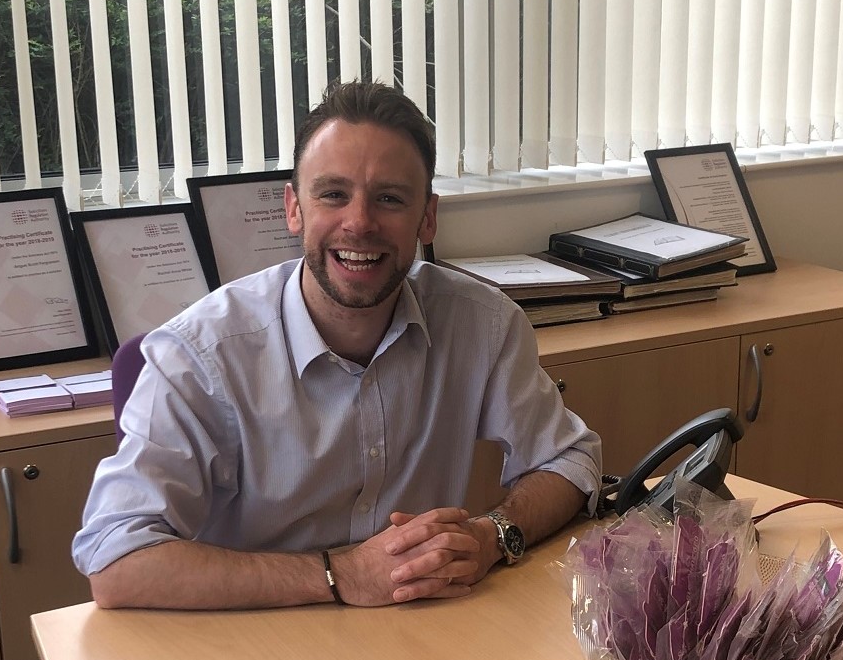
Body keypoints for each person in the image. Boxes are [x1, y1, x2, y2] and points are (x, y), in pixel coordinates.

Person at [72, 80, 602, 609]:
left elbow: (572, 460)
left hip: (424, 638)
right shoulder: (203, 353)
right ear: (294, 208)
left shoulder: (482, 324)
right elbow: (115, 558)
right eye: (333, 194)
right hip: (256, 648)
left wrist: (493, 536)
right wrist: (340, 574)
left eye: (390, 199)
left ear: (428, 217)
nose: (360, 223)